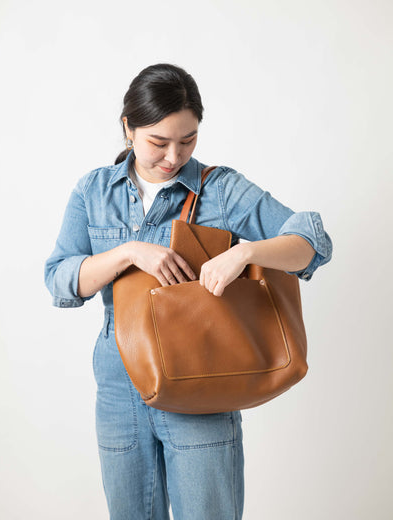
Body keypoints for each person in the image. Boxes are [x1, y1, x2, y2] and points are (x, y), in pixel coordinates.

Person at [44, 63, 333, 520]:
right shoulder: (93, 191)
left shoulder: (220, 189)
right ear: (128, 128)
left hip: (200, 383)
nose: (173, 156)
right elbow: (61, 280)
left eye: (188, 139)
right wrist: (129, 253)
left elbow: (312, 244)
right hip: (119, 391)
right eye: (158, 142)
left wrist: (246, 252)